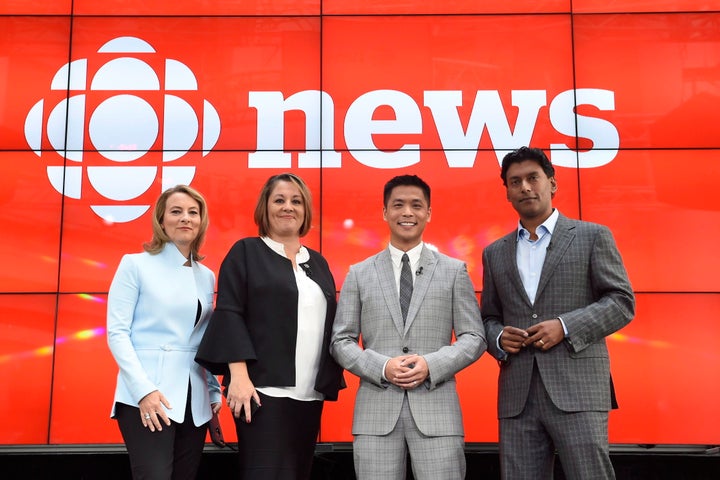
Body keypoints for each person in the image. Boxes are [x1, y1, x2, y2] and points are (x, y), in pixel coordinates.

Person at [481, 146, 635, 479]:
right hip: (517, 395)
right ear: (506, 192)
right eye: (515, 181)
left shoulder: (592, 236)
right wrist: (497, 338)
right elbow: (488, 318)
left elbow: (622, 301)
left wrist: (565, 327)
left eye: (533, 178)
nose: (525, 187)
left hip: (578, 389)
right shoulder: (494, 253)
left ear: (552, 183)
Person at [331, 174, 486, 480]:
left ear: (428, 213)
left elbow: (474, 337)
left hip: (438, 413)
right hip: (376, 415)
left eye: (417, 205)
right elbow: (341, 341)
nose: (407, 212)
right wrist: (383, 366)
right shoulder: (359, 273)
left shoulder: (454, 271)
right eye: (398, 205)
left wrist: (431, 364)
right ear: (385, 212)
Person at [195, 173, 344, 480]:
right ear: (265, 208)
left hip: (309, 396)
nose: (288, 207)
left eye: (296, 201)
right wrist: (238, 376)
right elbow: (230, 313)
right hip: (260, 392)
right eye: (279, 200)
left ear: (305, 211)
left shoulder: (317, 262)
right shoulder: (247, 251)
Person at [107, 184, 222, 480]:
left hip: (193, 400)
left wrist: (212, 393)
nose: (186, 218)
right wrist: (144, 391)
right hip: (148, 394)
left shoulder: (206, 275)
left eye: (193, 212)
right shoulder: (135, 264)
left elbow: (203, 340)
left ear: (201, 222)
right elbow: (118, 333)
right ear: (161, 220)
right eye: (176, 211)